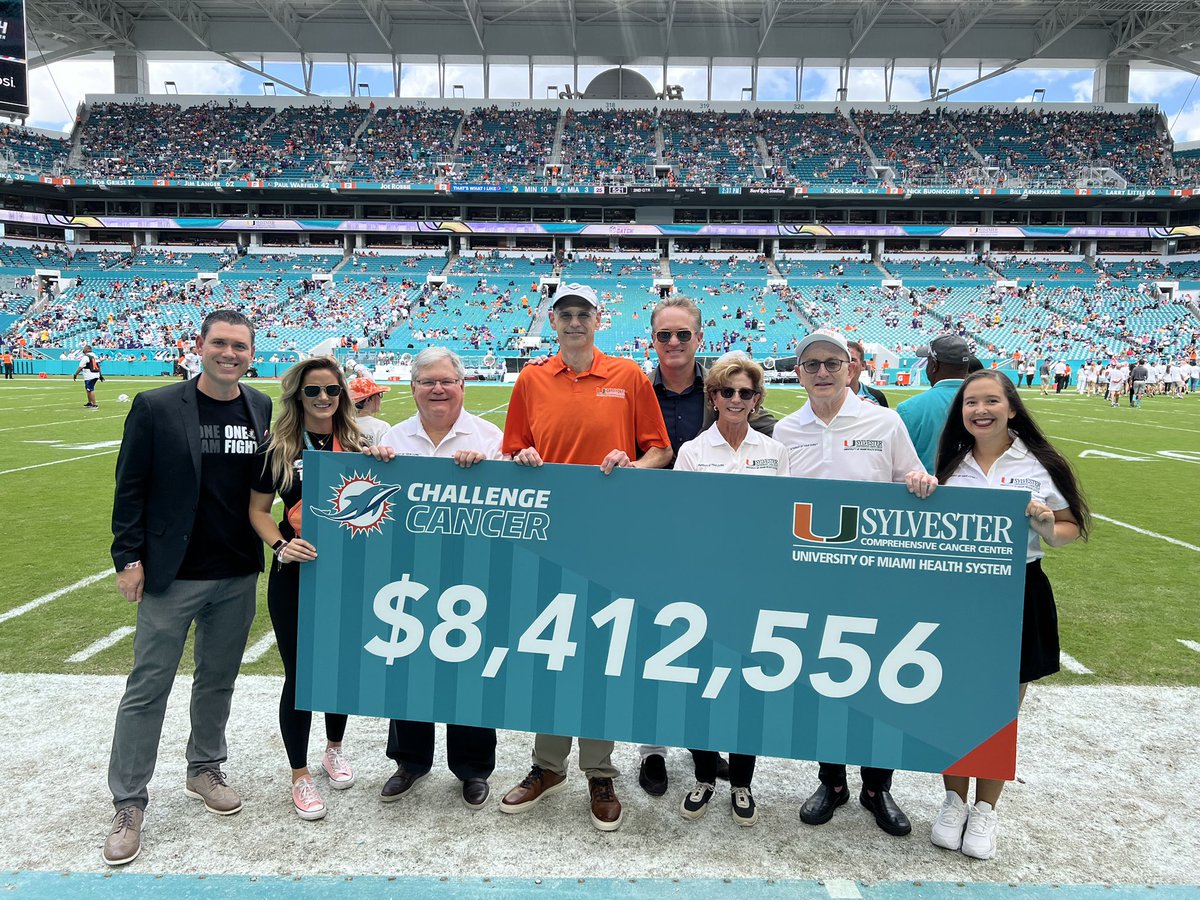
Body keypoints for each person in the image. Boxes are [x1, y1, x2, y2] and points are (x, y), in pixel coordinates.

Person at [499, 282, 672, 832]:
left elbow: (661, 450)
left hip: (613, 538)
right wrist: (521, 456)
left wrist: (633, 470)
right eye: (565, 313)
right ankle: (547, 766)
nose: (574, 321)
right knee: (551, 650)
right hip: (550, 536)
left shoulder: (627, 376)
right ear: (553, 321)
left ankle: (599, 769)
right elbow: (512, 449)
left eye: (583, 313)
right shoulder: (531, 378)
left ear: (599, 318)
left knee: (601, 655)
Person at [105, 310, 271, 866]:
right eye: (219, 343)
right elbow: (130, 485)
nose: (229, 353)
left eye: (240, 346)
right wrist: (127, 556)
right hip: (172, 574)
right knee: (148, 687)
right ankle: (129, 801)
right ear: (199, 346)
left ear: (252, 354)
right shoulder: (155, 406)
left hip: (235, 570)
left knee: (217, 681)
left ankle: (204, 767)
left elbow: (262, 491)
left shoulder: (260, 406)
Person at [773, 328, 937, 838]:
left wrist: (920, 482)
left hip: (873, 578)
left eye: (832, 363)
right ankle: (832, 780)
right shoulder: (785, 432)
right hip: (810, 578)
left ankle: (877, 786)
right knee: (823, 680)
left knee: (878, 680)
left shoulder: (883, 421)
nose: (822, 371)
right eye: (812, 364)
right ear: (798, 373)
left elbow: (911, 479)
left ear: (853, 368)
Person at [930, 370, 1089, 859]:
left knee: (1000, 710)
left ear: (1012, 407)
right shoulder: (952, 463)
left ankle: (985, 810)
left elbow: (1069, 530)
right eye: (971, 402)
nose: (980, 410)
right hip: (959, 593)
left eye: (992, 401)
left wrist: (1045, 524)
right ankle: (953, 800)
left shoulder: (1040, 462)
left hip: (1018, 589)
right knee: (952, 703)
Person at [638, 296, 769, 796]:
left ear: (699, 336)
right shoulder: (635, 388)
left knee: (706, 651)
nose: (673, 343)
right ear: (653, 339)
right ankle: (651, 750)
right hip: (648, 535)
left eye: (683, 334)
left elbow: (759, 428)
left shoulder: (717, 388)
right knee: (655, 645)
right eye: (664, 335)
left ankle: (705, 752)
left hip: (716, 547)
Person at [366, 348, 501, 811]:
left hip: (471, 572)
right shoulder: (394, 440)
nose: (437, 389)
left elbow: (511, 507)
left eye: (446, 380)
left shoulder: (489, 438)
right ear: (413, 388)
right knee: (407, 665)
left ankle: (473, 767)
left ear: (463, 385)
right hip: (409, 571)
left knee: (468, 669)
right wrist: (374, 465)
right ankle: (410, 759)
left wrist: (487, 473)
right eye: (427, 382)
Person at [673, 356, 789, 827]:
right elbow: (680, 523)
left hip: (757, 585)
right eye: (727, 392)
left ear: (757, 399)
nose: (736, 400)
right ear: (713, 397)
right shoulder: (693, 452)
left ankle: (741, 780)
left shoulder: (776, 452)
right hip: (705, 583)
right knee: (701, 685)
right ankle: (704, 773)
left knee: (749, 687)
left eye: (746, 393)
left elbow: (783, 520)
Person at [249, 357, 364, 821]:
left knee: (339, 669)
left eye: (332, 391)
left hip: (350, 572)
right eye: (313, 391)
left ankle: (333, 748)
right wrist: (280, 545)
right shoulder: (278, 445)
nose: (323, 399)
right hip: (296, 573)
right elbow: (258, 510)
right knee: (300, 675)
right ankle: (300, 774)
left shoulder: (360, 441)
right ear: (298, 396)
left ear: (343, 395)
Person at [896, 335, 971, 473]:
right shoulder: (988, 406)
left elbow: (898, 464)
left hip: (925, 490)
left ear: (934, 365)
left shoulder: (909, 408)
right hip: (976, 490)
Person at [348, 375, 391, 445]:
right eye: (379, 394)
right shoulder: (382, 427)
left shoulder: (342, 423)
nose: (380, 399)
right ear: (368, 399)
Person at [848, 339, 888, 407]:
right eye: (842, 360)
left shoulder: (877, 397)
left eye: (852, 360)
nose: (848, 365)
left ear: (863, 365)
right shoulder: (826, 397)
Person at [74, 344, 104, 408]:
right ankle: (89, 402)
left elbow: (80, 367)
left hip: (89, 375)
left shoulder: (86, 357)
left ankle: (94, 404)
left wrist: (75, 374)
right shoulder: (95, 356)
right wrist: (100, 375)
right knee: (88, 389)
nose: (83, 349)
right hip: (95, 374)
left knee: (90, 389)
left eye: (84, 348)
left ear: (87, 349)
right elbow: (98, 366)